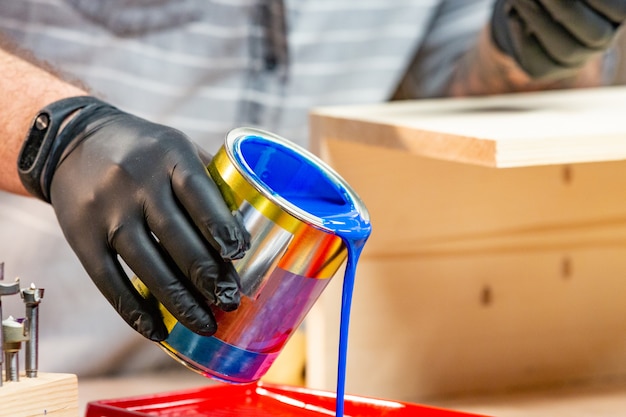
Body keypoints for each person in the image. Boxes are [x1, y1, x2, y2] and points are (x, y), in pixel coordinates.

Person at [0, 0, 624, 377]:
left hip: (261, 370)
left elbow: (444, 101)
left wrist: (536, 52)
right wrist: (58, 135)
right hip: (34, 357)